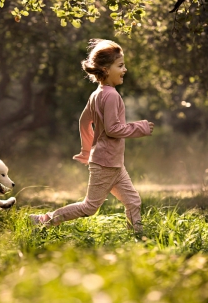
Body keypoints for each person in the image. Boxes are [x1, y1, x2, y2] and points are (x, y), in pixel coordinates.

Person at [29, 39, 154, 233]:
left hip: (112, 163)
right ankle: (43, 220)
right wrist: (141, 128)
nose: (125, 69)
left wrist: (87, 150)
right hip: (106, 163)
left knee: (133, 201)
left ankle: (138, 237)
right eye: (120, 65)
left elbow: (83, 121)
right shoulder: (112, 95)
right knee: (89, 207)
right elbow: (113, 129)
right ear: (105, 69)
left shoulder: (96, 94)